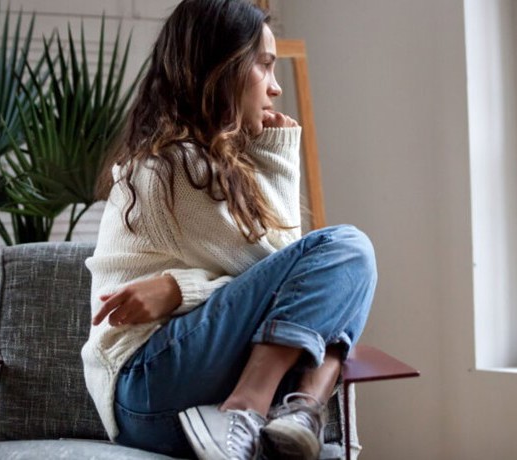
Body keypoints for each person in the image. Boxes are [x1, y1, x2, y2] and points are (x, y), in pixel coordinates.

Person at [81, 1, 377, 459]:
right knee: (348, 249)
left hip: (174, 390)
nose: (276, 87)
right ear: (222, 68)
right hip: (148, 383)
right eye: (264, 66)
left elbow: (289, 281)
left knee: (334, 296)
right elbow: (284, 264)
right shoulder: (173, 166)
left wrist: (180, 289)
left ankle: (299, 415)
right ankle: (250, 406)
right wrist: (279, 153)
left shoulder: (211, 164)